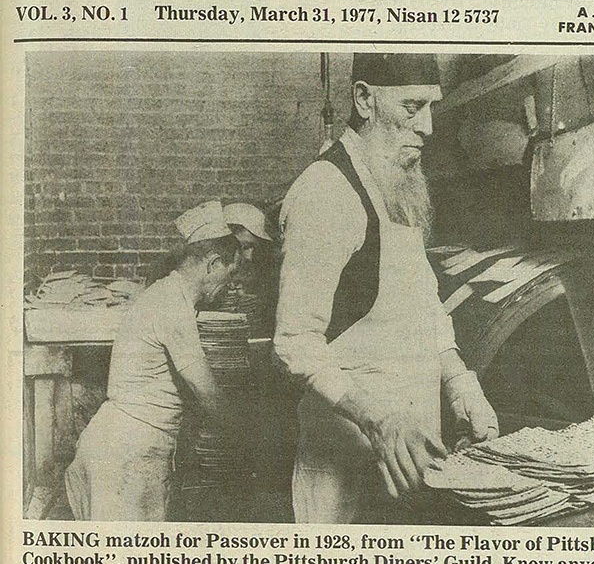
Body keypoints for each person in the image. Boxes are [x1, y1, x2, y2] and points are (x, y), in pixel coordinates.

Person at [273, 54, 499, 522]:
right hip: (348, 466)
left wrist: (460, 385)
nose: (428, 127)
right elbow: (295, 344)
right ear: (364, 99)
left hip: (409, 459)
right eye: (413, 107)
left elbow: (421, 302)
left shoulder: (396, 181)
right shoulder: (328, 192)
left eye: (431, 107)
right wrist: (377, 419)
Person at [64, 202, 240, 520]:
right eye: (231, 272)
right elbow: (206, 390)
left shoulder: (163, 293)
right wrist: (250, 434)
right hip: (127, 451)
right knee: (127, 563)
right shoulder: (173, 305)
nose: (230, 283)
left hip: (117, 441)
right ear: (214, 263)